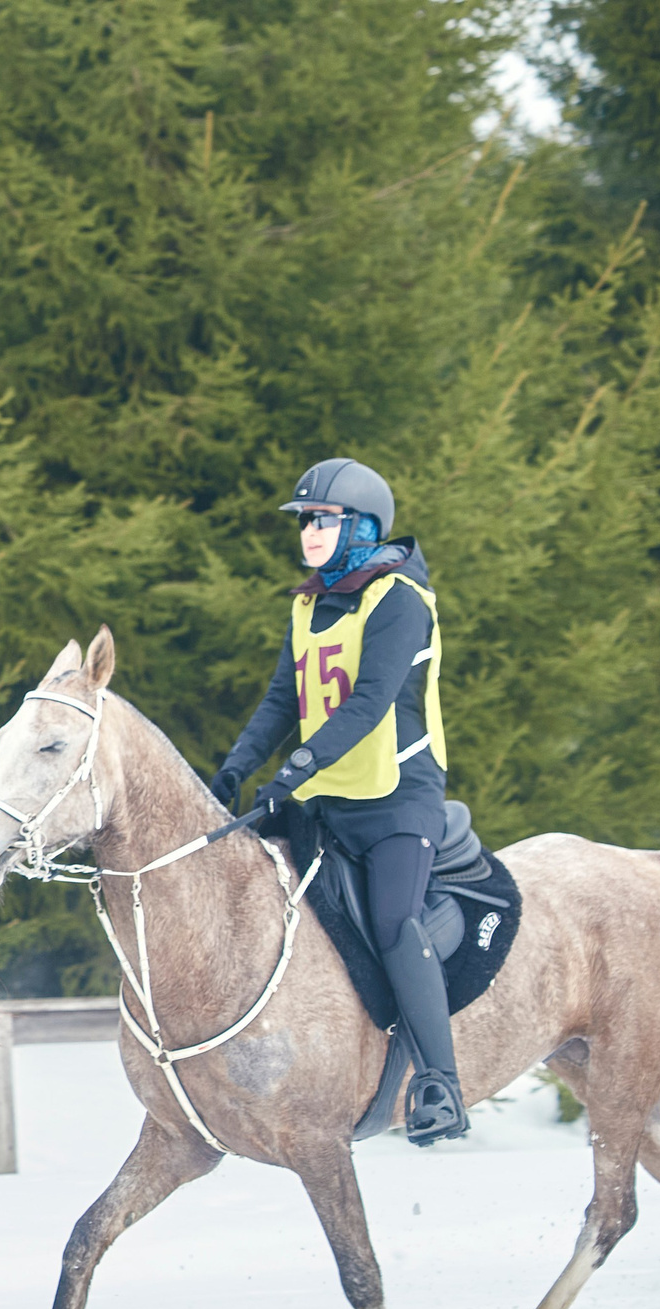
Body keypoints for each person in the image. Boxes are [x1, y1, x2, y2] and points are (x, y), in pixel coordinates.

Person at [210, 457, 465, 1143]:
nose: (309, 533)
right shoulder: (307, 603)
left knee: (393, 924)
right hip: (326, 797)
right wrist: (233, 768)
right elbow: (280, 699)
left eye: (322, 520)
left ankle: (441, 1084)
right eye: (305, 522)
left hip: (396, 799)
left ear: (361, 525)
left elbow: (371, 700)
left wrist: (296, 763)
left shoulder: (400, 599)